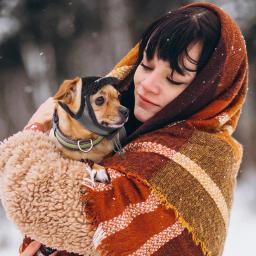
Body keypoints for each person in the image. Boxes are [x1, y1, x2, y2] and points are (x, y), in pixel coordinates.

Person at [0, 2, 248, 256]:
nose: (148, 85)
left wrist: (34, 129)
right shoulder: (115, 129)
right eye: (146, 65)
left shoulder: (197, 159)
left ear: (205, 93)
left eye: (174, 79)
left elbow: (35, 202)